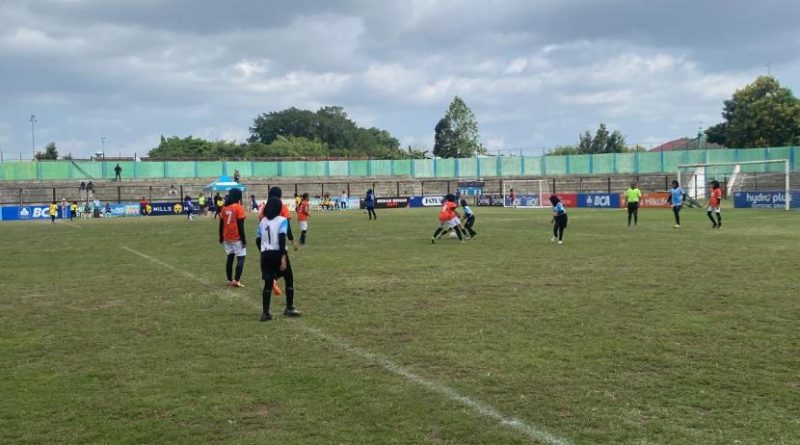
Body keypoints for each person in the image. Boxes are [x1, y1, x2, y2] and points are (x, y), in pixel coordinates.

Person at [257, 197, 301, 321]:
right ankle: (289, 307)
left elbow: (258, 239)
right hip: (277, 253)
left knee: (268, 283)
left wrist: (263, 251)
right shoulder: (282, 220)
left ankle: (265, 313)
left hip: (265, 254)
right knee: (289, 278)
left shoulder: (262, 221)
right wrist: (283, 257)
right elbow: (282, 238)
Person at [219, 188, 247, 287]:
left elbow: (221, 224)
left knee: (230, 258)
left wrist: (221, 237)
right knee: (241, 257)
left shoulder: (224, 207)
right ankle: (236, 280)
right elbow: (240, 225)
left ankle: (229, 280)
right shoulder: (239, 207)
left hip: (226, 237)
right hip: (236, 237)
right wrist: (243, 239)